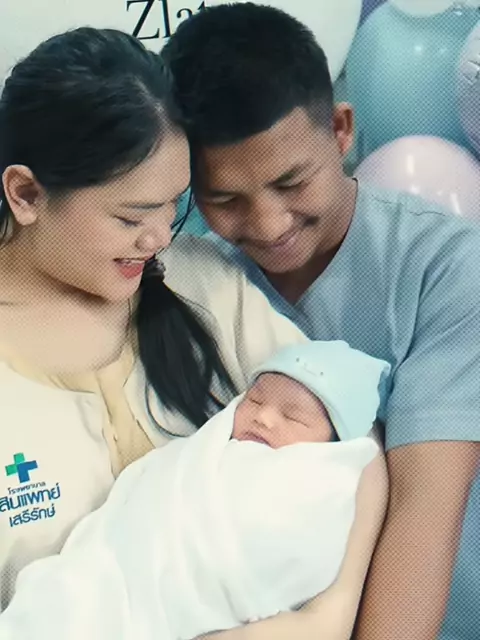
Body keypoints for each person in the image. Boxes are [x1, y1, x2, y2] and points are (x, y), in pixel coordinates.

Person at [0, 25, 384, 635]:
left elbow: (355, 445)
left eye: (173, 206)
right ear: (25, 194)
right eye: (130, 216)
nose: (158, 238)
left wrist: (325, 618)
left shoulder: (202, 283)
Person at [161, 4, 480, 639]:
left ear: (340, 130)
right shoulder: (194, 282)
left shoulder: (443, 267)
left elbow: (422, 506)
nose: (269, 224)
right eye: (224, 199)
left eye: (292, 183)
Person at [0, 341, 388, 640]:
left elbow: (305, 554)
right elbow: (152, 499)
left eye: (293, 417)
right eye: (254, 400)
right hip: (118, 579)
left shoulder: (322, 482)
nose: (264, 417)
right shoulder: (203, 455)